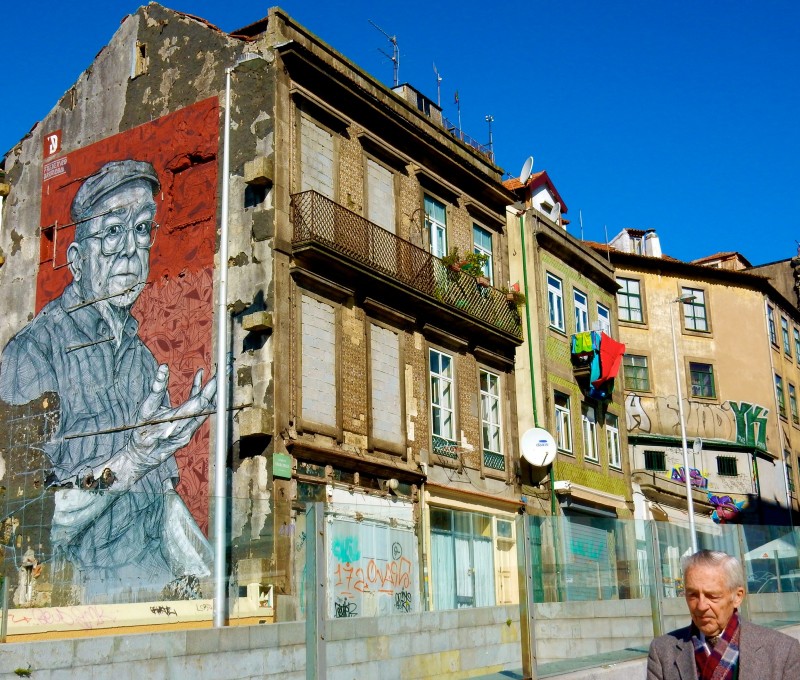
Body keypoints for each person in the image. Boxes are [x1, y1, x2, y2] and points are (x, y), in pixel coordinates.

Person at [0, 159, 216, 601]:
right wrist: (134, 457)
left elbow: (165, 508)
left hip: (152, 599)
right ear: (76, 260)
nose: (130, 249)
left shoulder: (141, 360)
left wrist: (212, 584)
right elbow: (29, 516)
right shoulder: (33, 352)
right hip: (73, 602)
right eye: (112, 231)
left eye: (141, 229)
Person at [647, 550, 800, 680]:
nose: (701, 606)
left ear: (738, 596)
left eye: (712, 596)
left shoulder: (784, 652)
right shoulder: (662, 651)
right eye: (692, 595)